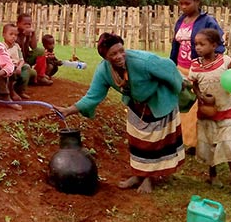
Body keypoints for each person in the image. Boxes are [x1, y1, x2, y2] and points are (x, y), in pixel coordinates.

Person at [55, 33, 185, 194]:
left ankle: (149, 179)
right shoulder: (104, 71)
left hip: (158, 100)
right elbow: (93, 95)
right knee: (137, 142)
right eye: (113, 54)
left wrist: (180, 86)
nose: (119, 56)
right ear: (105, 57)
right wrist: (69, 110)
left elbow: (169, 68)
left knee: (154, 143)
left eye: (121, 51)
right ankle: (138, 175)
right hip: (136, 105)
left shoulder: (143, 61)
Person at [188, 29, 231, 194]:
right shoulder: (195, 65)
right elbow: (194, 84)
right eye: (196, 44)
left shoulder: (225, 62)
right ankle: (213, 175)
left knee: (229, 143)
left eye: (202, 44)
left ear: (214, 45)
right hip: (206, 112)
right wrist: (200, 96)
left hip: (225, 110)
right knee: (211, 144)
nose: (198, 47)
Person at [170, 0, 225, 154]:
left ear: (197, 2)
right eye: (181, 4)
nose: (184, 7)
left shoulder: (207, 21)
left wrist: (209, 65)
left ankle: (199, 143)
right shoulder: (181, 21)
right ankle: (184, 140)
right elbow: (175, 45)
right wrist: (170, 64)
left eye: (187, 3)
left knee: (200, 107)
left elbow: (219, 45)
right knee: (182, 105)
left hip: (199, 70)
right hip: (180, 68)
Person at [16, 13, 51, 85]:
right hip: (18, 60)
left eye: (29, 24)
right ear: (18, 24)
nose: (28, 26)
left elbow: (34, 47)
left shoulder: (28, 34)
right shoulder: (15, 34)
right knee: (31, 72)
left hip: (26, 57)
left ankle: (40, 76)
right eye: (25, 24)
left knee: (40, 51)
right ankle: (34, 77)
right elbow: (17, 49)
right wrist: (23, 36)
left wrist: (33, 33)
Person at [2, 23, 31, 100]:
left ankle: (21, 91)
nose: (13, 37)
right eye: (11, 34)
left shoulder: (16, 46)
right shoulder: (2, 47)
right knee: (10, 71)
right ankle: (11, 91)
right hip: (8, 68)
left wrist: (19, 67)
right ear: (4, 35)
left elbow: (21, 59)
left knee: (27, 67)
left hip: (17, 67)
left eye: (15, 35)